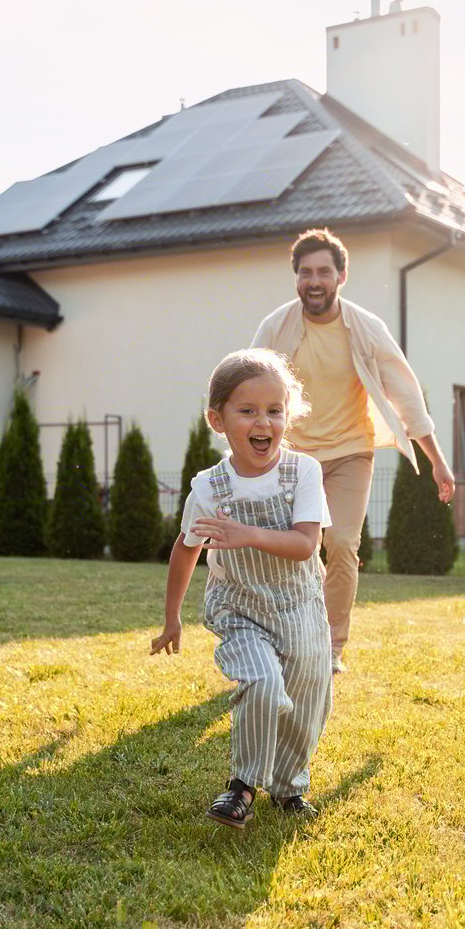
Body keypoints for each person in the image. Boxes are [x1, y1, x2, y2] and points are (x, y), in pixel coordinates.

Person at [249, 228, 454, 673]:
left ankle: (332, 647)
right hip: (292, 458)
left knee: (341, 543)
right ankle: (288, 635)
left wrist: (436, 460)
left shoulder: (365, 328)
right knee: (291, 551)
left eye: (324, 271)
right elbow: (245, 385)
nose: (314, 281)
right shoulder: (275, 327)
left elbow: (406, 395)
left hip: (349, 452)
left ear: (342, 276)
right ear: (296, 278)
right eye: (305, 273)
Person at [151, 348, 333, 829]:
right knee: (263, 682)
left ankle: (289, 786)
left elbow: (304, 544)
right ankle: (242, 787)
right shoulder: (210, 489)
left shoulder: (304, 473)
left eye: (275, 410)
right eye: (247, 410)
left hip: (299, 606)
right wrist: (172, 618)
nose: (264, 422)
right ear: (218, 419)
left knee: (309, 697)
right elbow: (186, 549)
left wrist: (245, 534)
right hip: (241, 609)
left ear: (287, 415)